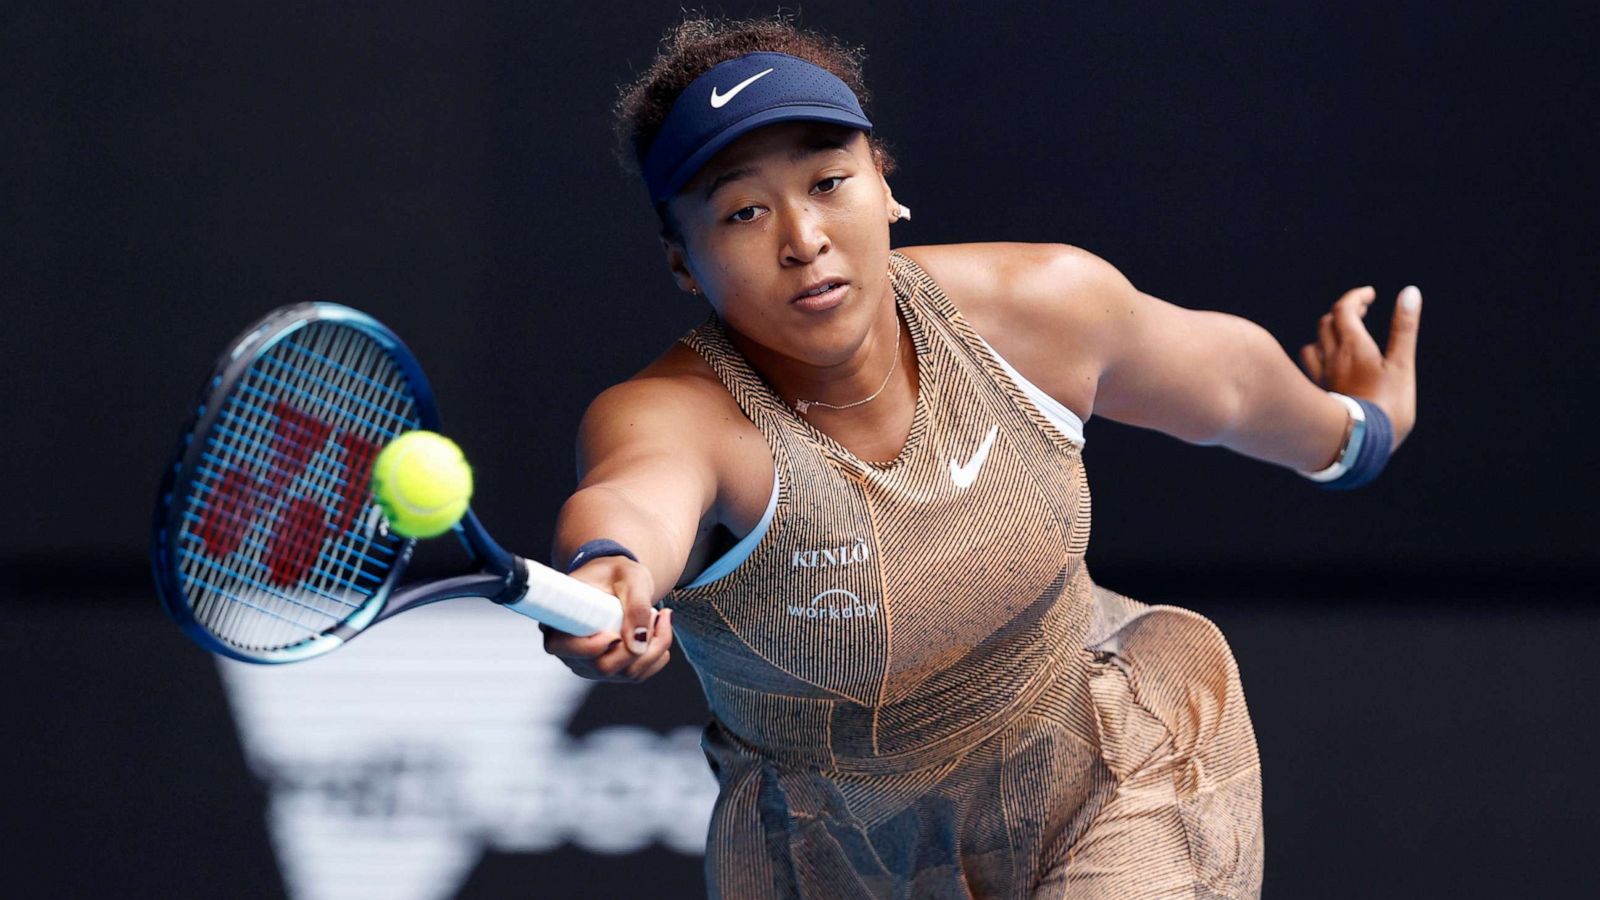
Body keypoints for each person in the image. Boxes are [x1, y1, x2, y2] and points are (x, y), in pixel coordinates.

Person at [541, 14, 1420, 899]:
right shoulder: (678, 413)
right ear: (682, 262)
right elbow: (632, 497)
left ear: (884, 185)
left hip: (1113, 774)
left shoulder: (1040, 307)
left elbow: (1230, 387)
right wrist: (609, 569)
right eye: (743, 212)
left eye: (829, 180)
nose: (803, 238)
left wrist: (1362, 429)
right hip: (829, 862)